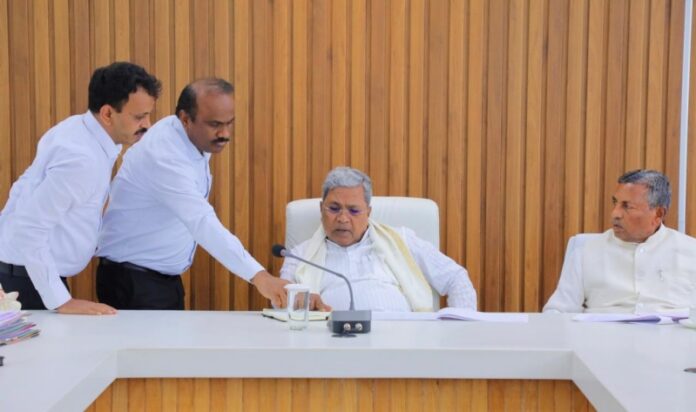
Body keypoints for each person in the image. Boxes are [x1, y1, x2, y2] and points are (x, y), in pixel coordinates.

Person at [96, 78, 288, 310]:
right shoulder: (164, 156)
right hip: (134, 282)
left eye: (229, 123)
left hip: (158, 279)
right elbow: (202, 222)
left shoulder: (191, 136)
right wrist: (260, 277)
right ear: (185, 119)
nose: (225, 133)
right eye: (215, 124)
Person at [0, 62, 161, 314]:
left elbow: (24, 191)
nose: (148, 125)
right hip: (29, 283)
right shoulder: (81, 159)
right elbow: (30, 228)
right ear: (107, 114)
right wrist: (60, 301)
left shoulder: (79, 128)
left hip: (30, 275)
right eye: (139, 117)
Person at [279, 166, 477, 312]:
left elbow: (456, 278)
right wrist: (299, 302)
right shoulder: (300, 254)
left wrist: (457, 330)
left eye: (353, 210)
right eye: (334, 208)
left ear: (368, 212)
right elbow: (280, 298)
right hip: (331, 345)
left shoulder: (402, 240)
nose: (343, 218)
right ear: (321, 209)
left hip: (403, 342)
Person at [544, 169, 696, 313]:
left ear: (658, 213)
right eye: (615, 203)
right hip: (600, 331)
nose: (615, 214)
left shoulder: (691, 252)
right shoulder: (586, 251)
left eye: (627, 206)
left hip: (671, 332)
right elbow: (557, 311)